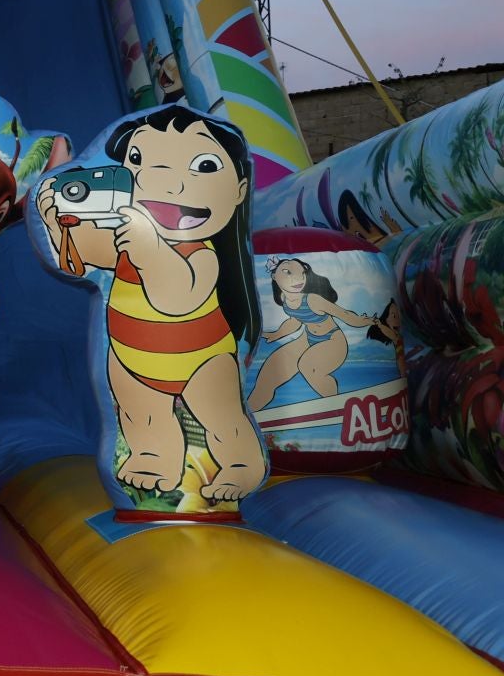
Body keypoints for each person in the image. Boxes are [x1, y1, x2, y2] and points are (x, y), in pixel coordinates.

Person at [37, 106, 266, 503]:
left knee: (222, 417)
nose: (161, 182)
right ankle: (153, 458)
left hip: (201, 359)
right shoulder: (126, 240)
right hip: (131, 358)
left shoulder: (203, 253)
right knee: (140, 415)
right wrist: (57, 224)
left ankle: (242, 463)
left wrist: (152, 250)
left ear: (239, 191)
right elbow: (78, 261)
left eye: (204, 165)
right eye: (140, 160)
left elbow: (178, 299)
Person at [247, 258, 380, 410]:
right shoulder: (285, 299)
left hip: (332, 340)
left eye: (302, 273)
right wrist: (277, 334)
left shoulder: (313, 299)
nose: (298, 279)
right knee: (269, 375)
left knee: (308, 366)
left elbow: (343, 314)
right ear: (274, 276)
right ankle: (250, 415)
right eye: (287, 272)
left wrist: (364, 321)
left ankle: (336, 407)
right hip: (307, 339)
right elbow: (295, 321)